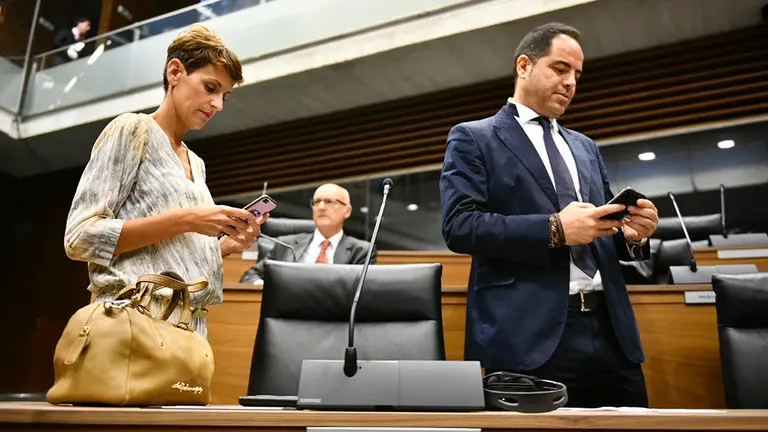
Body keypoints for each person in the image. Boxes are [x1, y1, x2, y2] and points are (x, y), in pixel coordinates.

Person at [439, 22, 659, 408]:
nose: (571, 82)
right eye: (560, 68)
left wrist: (632, 237)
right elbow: (460, 226)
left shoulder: (586, 147)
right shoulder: (473, 137)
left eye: (577, 74)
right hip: (527, 335)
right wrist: (555, 229)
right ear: (524, 65)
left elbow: (600, 230)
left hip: (612, 332)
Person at [64, 24, 265, 338]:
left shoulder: (196, 163)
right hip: (133, 324)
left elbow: (170, 253)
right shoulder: (133, 129)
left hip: (188, 329)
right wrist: (188, 219)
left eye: (224, 95)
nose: (218, 104)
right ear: (175, 72)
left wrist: (225, 247)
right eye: (210, 87)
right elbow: (80, 238)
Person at [240, 183, 376, 284]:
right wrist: (263, 286)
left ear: (347, 211)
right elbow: (250, 276)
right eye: (317, 202)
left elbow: (362, 290)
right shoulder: (285, 244)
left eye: (329, 201)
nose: (321, 207)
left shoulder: (361, 251)